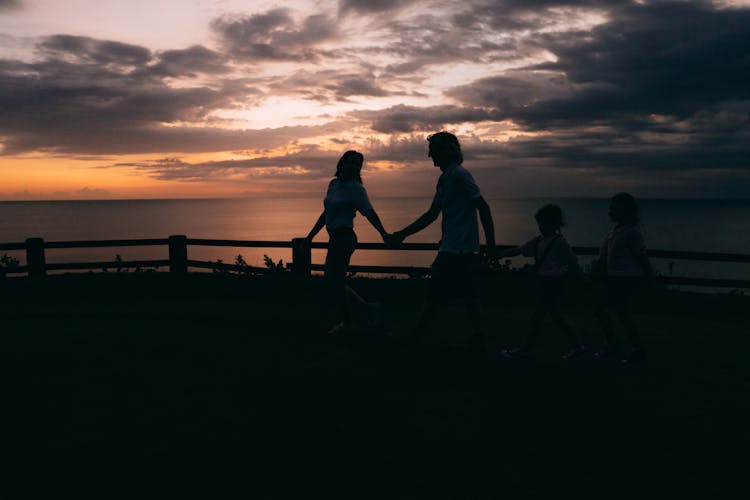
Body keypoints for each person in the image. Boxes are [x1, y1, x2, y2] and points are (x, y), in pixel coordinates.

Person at [391, 132, 496, 349]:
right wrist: (403, 233)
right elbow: (432, 214)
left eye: (433, 150)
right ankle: (479, 338)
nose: (430, 155)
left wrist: (492, 246)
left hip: (458, 250)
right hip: (455, 248)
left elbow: (483, 207)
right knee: (468, 296)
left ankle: (415, 338)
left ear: (444, 151)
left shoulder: (460, 175)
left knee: (435, 294)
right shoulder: (445, 178)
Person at [307, 150, 391, 335]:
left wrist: (384, 233)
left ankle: (347, 322)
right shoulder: (333, 184)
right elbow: (326, 213)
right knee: (335, 282)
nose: (354, 167)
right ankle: (369, 308)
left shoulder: (357, 189)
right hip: (334, 238)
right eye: (351, 162)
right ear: (342, 164)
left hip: (345, 238)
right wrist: (310, 236)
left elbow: (369, 213)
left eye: (358, 165)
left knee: (333, 282)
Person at [497, 204, 586, 360]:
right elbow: (519, 250)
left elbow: (572, 262)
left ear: (553, 224)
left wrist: (579, 278)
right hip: (546, 282)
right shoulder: (539, 240)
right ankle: (577, 346)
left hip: (552, 283)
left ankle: (524, 350)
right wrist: (500, 254)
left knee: (539, 317)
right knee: (555, 316)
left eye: (543, 224)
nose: (540, 228)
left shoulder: (559, 243)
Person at [592, 192, 653, 364]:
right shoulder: (616, 231)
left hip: (625, 279)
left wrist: (650, 278)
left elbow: (641, 257)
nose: (610, 211)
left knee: (608, 310)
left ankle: (623, 346)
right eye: (611, 208)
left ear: (625, 210)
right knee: (619, 313)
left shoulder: (631, 233)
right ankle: (629, 347)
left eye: (614, 208)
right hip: (616, 278)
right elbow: (605, 256)